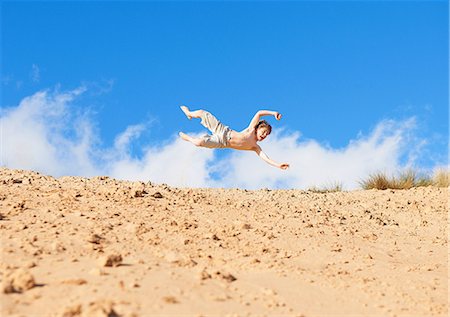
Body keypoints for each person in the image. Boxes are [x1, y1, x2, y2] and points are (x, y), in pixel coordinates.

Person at [179, 106, 290, 170]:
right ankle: (189, 113)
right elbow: (259, 113)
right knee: (202, 113)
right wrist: (273, 113)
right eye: (264, 131)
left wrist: (278, 165)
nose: (264, 135)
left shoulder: (255, 147)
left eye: (267, 135)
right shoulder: (250, 130)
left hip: (221, 142)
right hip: (222, 130)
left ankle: (188, 138)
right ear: (258, 128)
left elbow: (266, 158)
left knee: (198, 142)